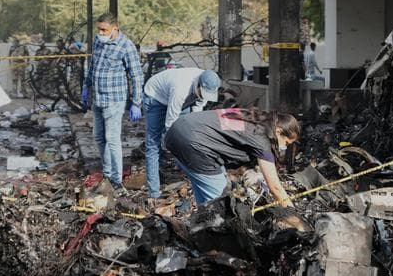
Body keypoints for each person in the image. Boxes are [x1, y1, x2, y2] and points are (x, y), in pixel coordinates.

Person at [164, 108, 299, 206]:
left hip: (178, 129)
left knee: (207, 196)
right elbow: (275, 187)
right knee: (221, 204)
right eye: (286, 143)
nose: (284, 147)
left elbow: (236, 138)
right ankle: (216, 241)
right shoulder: (262, 139)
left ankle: (201, 228)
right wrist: (294, 216)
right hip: (193, 144)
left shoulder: (253, 116)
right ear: (279, 131)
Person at [81, 13, 144, 191]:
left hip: (114, 99)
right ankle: (107, 174)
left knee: (112, 139)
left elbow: (136, 76)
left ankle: (116, 180)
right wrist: (86, 87)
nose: (101, 32)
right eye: (99, 29)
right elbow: (93, 66)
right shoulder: (99, 41)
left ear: (115, 28)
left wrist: (136, 102)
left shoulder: (126, 46)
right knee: (99, 138)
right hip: (98, 98)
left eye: (104, 30)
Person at [143, 68, 221, 199]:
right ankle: (154, 193)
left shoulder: (207, 84)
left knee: (187, 135)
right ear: (198, 86)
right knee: (153, 144)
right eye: (203, 93)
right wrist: (177, 146)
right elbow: (170, 124)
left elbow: (195, 116)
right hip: (155, 97)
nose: (204, 96)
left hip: (181, 96)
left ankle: (189, 179)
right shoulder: (180, 90)